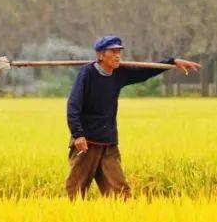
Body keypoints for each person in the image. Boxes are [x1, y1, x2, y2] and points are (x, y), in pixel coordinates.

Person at [65, 35, 200, 199]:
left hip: (108, 143)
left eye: (119, 52)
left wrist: (171, 62)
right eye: (113, 51)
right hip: (86, 143)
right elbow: (73, 106)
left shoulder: (119, 73)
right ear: (100, 55)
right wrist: (78, 134)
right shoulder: (87, 73)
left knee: (120, 193)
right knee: (76, 192)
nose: (117, 55)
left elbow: (145, 71)